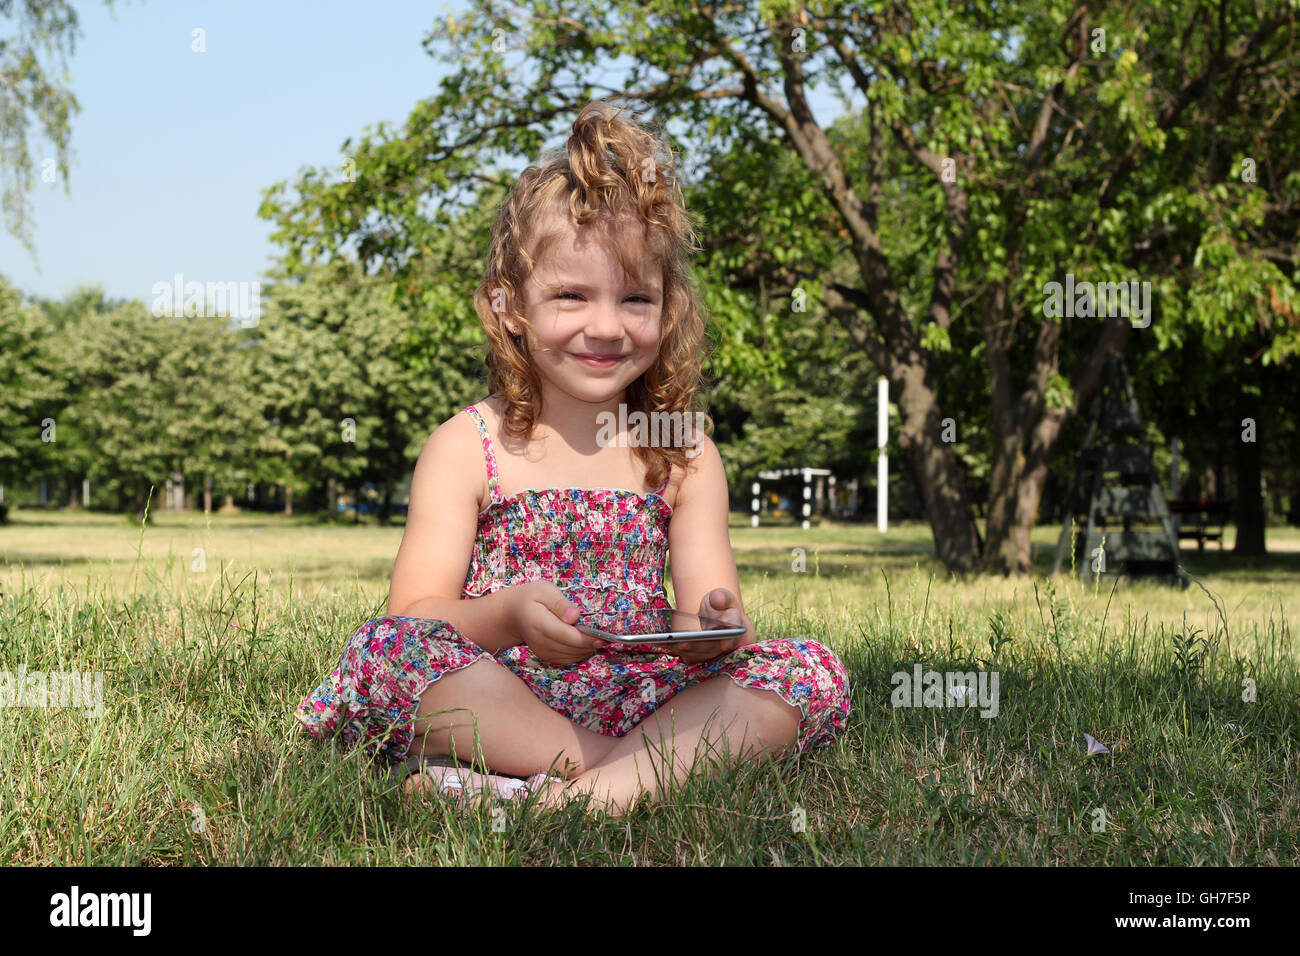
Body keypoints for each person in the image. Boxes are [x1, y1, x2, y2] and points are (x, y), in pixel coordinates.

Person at [294, 100, 851, 816]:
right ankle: (615, 778)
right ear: (508, 307)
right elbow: (415, 617)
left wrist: (711, 628)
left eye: (636, 298)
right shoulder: (468, 445)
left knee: (810, 671)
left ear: (669, 308)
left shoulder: (683, 451)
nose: (607, 326)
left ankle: (558, 802)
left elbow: (716, 619)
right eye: (570, 295)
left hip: (651, 697)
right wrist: (509, 616)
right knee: (386, 651)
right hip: (507, 702)